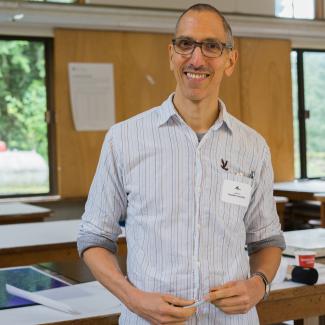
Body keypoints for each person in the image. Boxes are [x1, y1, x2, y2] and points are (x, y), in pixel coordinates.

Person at [77, 3, 285, 324]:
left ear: (231, 60)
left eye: (211, 46)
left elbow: (267, 240)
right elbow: (94, 239)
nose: (196, 59)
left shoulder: (252, 147)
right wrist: (134, 299)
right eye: (186, 44)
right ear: (172, 54)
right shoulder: (124, 139)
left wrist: (259, 285)